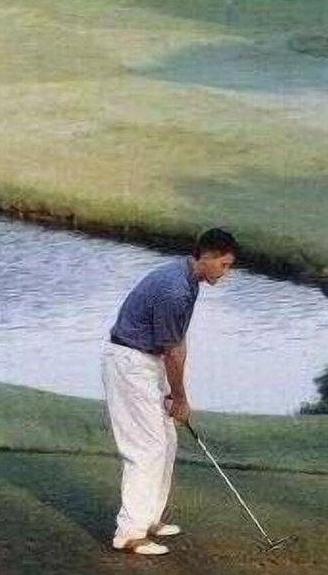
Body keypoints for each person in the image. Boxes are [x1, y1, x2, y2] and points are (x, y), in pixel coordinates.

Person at [101, 228, 240, 555]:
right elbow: (172, 350)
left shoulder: (188, 280)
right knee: (146, 446)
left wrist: (171, 390)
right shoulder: (175, 288)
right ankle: (129, 533)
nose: (226, 272)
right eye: (224, 264)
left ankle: (150, 518)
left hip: (148, 361)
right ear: (206, 256)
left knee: (167, 439)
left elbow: (177, 342)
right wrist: (179, 397)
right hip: (130, 362)